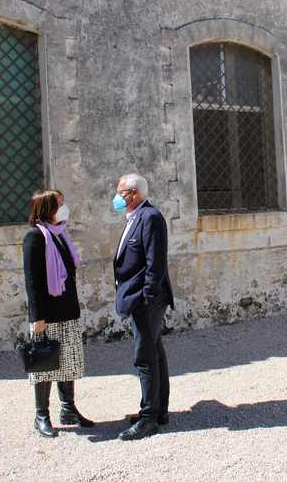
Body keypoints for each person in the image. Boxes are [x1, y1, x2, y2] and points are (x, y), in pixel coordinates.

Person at [22, 189, 94, 438]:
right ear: (46, 209)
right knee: (44, 364)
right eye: (59, 204)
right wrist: (37, 318)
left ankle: (69, 409)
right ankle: (41, 415)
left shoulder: (60, 234)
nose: (64, 208)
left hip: (67, 310)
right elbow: (32, 282)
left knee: (69, 361)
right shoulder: (35, 238)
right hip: (47, 314)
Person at [112, 173, 175, 441]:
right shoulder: (134, 217)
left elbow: (155, 261)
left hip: (146, 299)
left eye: (120, 192)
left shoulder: (150, 217)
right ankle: (158, 409)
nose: (116, 197)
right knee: (154, 350)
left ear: (134, 193)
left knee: (144, 357)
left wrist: (147, 296)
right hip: (138, 296)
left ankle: (149, 417)